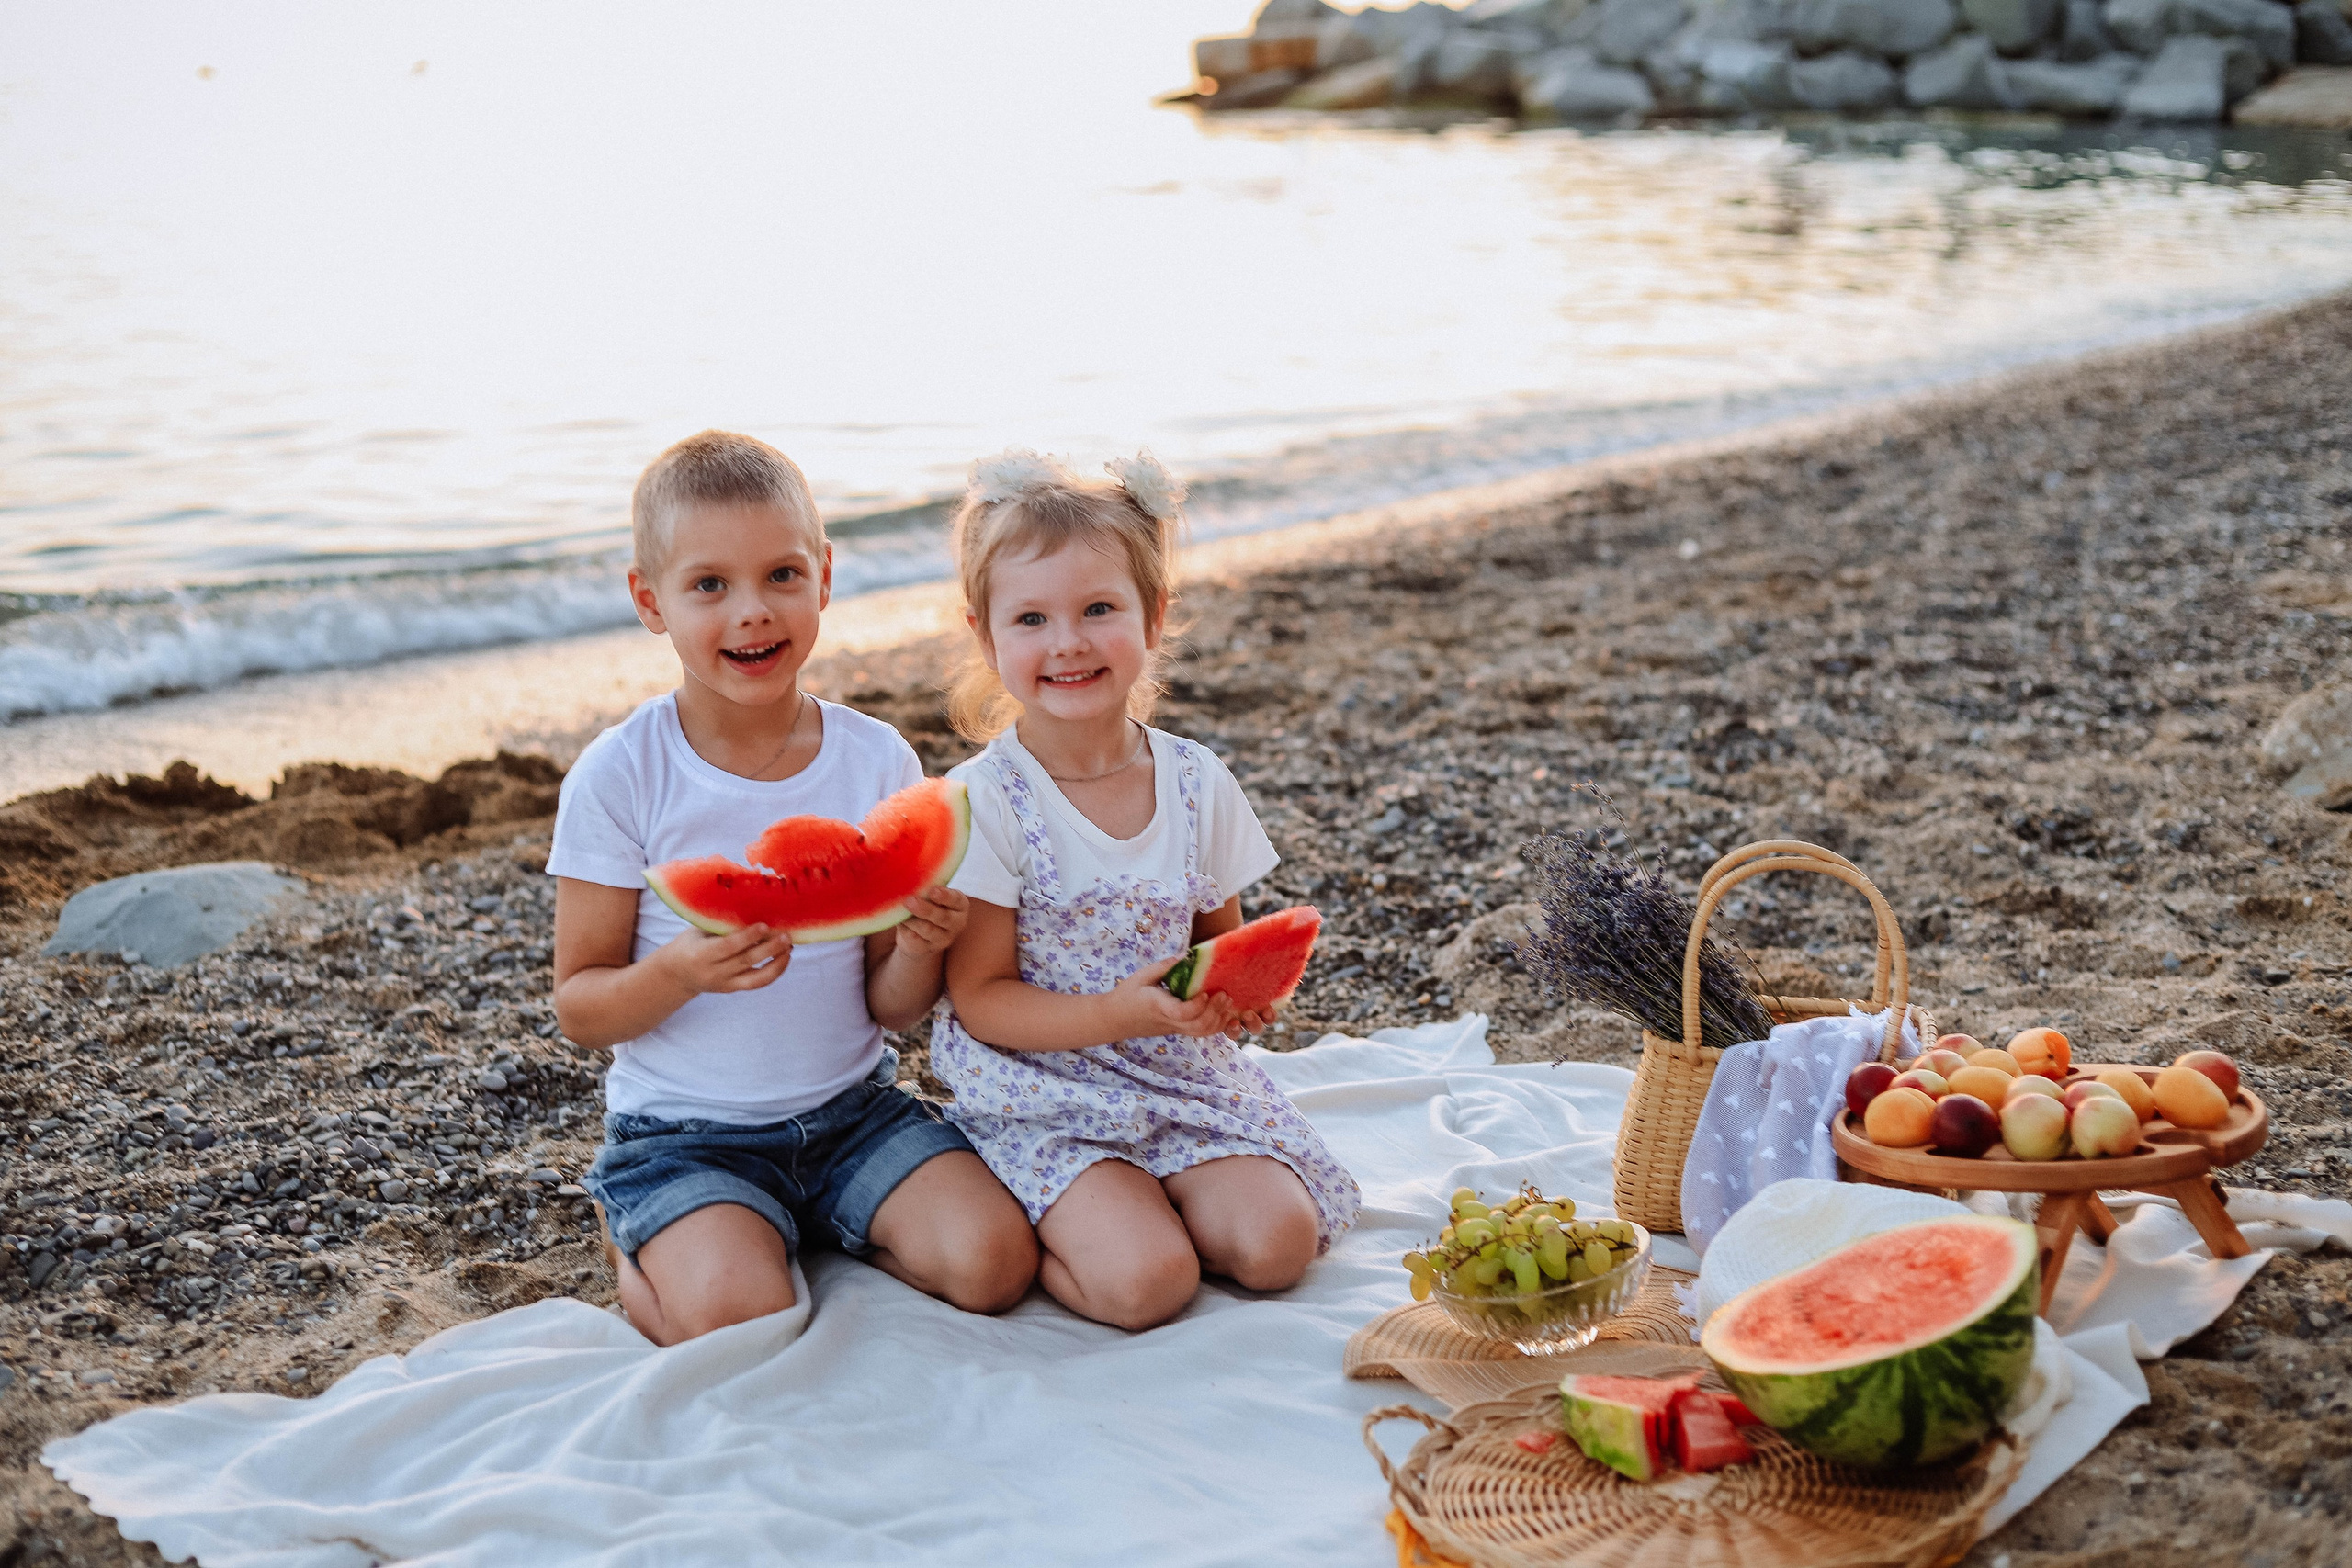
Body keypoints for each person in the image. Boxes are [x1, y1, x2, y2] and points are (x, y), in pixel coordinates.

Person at [548, 430, 1038, 1345]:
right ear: (648, 602)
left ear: (823, 576)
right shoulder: (620, 775)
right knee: (741, 1318)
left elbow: (890, 1009)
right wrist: (681, 974)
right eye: (709, 586)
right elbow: (581, 1007)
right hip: (683, 1137)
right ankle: (642, 1243)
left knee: (995, 1267)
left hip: (854, 1114)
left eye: (780, 575)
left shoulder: (876, 757)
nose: (752, 613)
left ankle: (810, 1228)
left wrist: (923, 943)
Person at [930, 448, 1361, 1331]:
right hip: (1041, 1089)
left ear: (1153, 615)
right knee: (1146, 1286)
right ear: (987, 637)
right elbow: (978, 1001)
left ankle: (1153, 1203)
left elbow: (1219, 954)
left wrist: (1234, 1003)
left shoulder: (1198, 782)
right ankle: (1067, 1222)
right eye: (1032, 618)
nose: (1069, 641)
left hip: (1175, 1072)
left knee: (1280, 1244)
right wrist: (1118, 1015)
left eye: (1099, 608)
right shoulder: (985, 799)